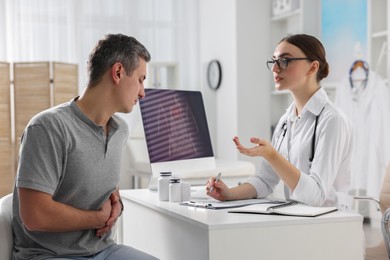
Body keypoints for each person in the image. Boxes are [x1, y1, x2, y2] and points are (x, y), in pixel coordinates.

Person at [12, 34, 158, 259]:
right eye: (140, 79)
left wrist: (117, 204)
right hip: (49, 255)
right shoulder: (48, 128)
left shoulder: (120, 131)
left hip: (104, 250)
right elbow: (34, 216)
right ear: (118, 72)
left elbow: (100, 185)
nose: (142, 92)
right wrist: (98, 218)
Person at [207, 34, 353, 209]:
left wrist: (272, 155)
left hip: (331, 224)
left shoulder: (332, 121)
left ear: (312, 67)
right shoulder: (286, 120)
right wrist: (229, 194)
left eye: (285, 60)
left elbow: (316, 196)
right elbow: (265, 180)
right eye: (274, 61)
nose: (275, 69)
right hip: (296, 220)